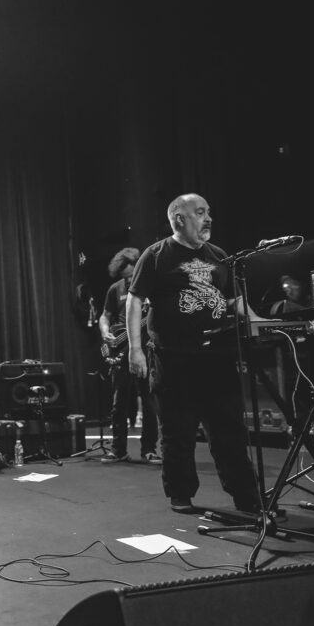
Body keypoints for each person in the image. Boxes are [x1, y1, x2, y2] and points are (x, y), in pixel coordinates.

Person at [126, 193, 261, 514]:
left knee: (230, 430)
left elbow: (233, 299)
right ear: (179, 219)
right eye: (200, 212)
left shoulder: (219, 255)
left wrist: (259, 322)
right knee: (178, 431)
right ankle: (181, 494)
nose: (208, 218)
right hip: (173, 357)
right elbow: (135, 299)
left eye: (209, 211)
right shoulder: (156, 255)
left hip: (217, 356)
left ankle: (246, 497)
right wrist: (135, 349)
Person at [98, 248, 160, 465]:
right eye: (125, 277)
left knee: (149, 401)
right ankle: (118, 450)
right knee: (119, 402)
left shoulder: (150, 287)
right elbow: (105, 316)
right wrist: (105, 331)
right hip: (120, 349)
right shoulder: (115, 289)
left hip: (146, 350)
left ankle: (149, 450)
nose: (129, 280)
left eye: (132, 275)